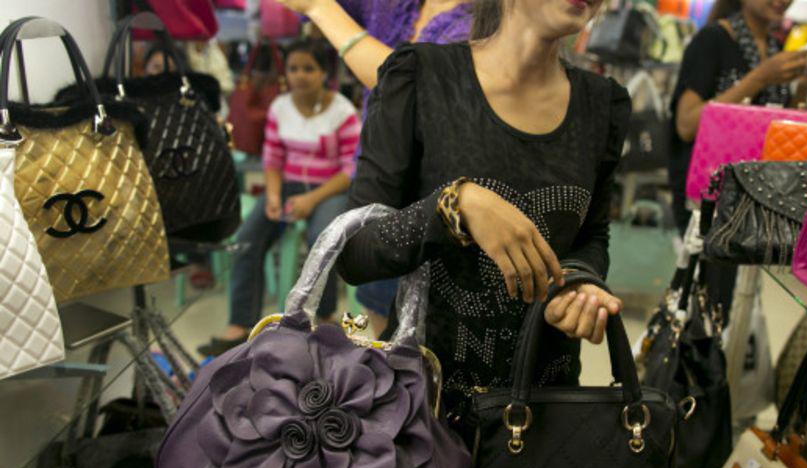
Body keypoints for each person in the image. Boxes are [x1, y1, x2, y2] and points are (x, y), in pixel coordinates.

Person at [332, 0, 630, 422]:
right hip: (427, 411)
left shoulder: (602, 104)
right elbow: (355, 251)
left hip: (543, 416)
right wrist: (455, 207)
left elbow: (591, 237)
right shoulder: (422, 76)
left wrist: (579, 284)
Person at [279, 0, 473, 337]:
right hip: (379, 190)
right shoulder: (391, 4)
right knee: (379, 318)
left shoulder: (486, 18)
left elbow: (418, 90)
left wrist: (320, 8)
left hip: (447, 199)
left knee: (429, 334)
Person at [198, 39, 361, 356]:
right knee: (246, 238)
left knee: (321, 238)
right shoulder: (280, 108)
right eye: (294, 68)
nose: (300, 75)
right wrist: (273, 195)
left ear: (324, 73)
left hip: (330, 188)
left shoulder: (342, 111)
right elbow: (272, 159)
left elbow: (350, 170)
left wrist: (312, 200)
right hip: (287, 186)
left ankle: (324, 319)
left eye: (308, 69)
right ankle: (240, 324)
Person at [669, 0, 807, 232]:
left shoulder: (774, 47)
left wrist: (804, 87)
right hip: (711, 195)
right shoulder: (712, 40)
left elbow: (777, 128)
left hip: (758, 196)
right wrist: (759, 78)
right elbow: (686, 125)